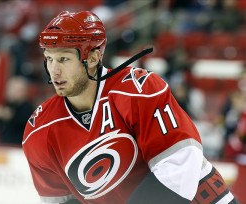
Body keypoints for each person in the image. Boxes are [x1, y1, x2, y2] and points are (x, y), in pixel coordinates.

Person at [22, 11, 238, 204]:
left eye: (64, 59)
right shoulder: (39, 132)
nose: (54, 71)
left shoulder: (138, 90)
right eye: (49, 59)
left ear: (94, 57)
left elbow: (179, 165)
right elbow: (63, 201)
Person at [0, 76, 34, 146]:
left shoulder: (28, 108)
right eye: (9, 89)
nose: (10, 92)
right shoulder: (8, 105)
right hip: (3, 146)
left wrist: (6, 115)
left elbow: (20, 121)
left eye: (14, 90)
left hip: (18, 147)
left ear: (23, 91)